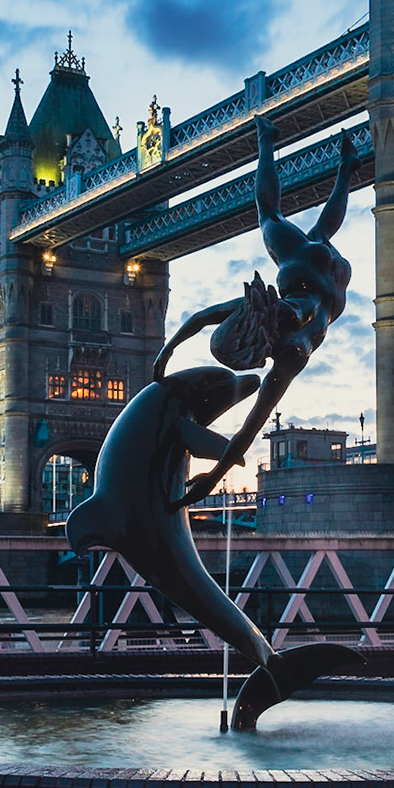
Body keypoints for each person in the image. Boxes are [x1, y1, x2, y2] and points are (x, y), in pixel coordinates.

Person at [152, 114, 359, 506]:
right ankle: (270, 141)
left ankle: (339, 166)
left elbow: (248, 428)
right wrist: (169, 350)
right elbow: (200, 320)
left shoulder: (287, 347)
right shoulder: (280, 333)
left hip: (324, 285)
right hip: (312, 275)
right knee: (275, 217)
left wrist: (212, 479)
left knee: (311, 230)